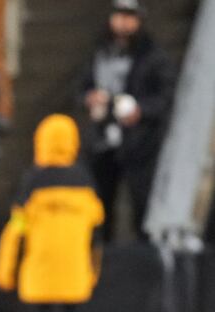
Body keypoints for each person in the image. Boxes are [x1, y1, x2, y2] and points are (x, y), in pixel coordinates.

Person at [0, 114, 104, 312]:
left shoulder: (33, 180)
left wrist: (6, 271)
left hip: (40, 266)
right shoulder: (84, 180)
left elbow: (17, 228)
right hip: (75, 267)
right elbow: (96, 228)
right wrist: (93, 269)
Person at [78, 0, 175, 241]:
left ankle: (144, 263)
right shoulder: (100, 51)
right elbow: (82, 87)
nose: (123, 22)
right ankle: (101, 259)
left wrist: (140, 109)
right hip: (103, 142)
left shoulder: (153, 55)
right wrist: (89, 99)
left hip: (139, 144)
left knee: (141, 207)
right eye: (119, 15)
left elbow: (165, 97)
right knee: (100, 208)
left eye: (129, 16)